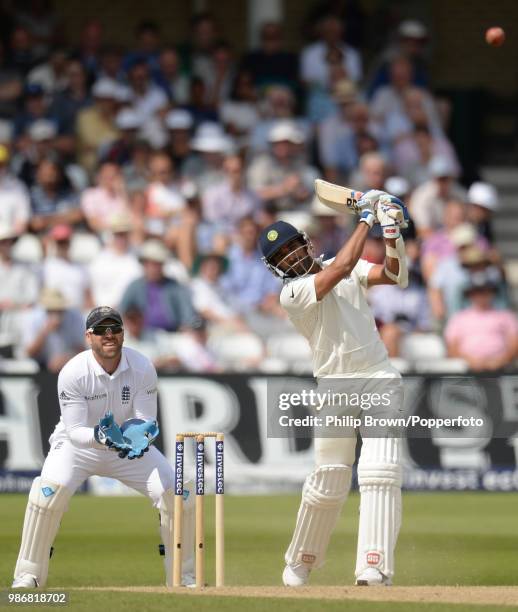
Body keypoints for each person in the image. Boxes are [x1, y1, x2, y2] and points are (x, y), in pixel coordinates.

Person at [259, 187, 409, 586]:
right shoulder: (292, 293)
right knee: (330, 478)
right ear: (274, 268)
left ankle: (372, 566)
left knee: (381, 471)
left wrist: (392, 232)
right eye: (280, 257)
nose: (289, 258)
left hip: (378, 377)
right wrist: (367, 216)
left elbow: (393, 274)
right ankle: (300, 561)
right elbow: (340, 269)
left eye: (291, 248)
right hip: (334, 386)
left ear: (305, 243)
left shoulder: (349, 265)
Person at [12, 305, 195, 588]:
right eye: (100, 330)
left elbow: (146, 419)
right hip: (79, 448)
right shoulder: (73, 371)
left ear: (123, 334)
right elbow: (74, 432)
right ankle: (29, 575)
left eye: (114, 329)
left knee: (177, 493)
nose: (108, 335)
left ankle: (183, 577)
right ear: (89, 336)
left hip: (124, 447)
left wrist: (139, 438)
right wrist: (101, 437)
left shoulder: (142, 366)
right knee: (46, 496)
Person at [445, 274, 518, 371]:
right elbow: (452, 349)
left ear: (492, 293)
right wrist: (470, 361)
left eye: (485, 291)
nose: (481, 295)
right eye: (477, 292)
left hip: (502, 369)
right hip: (467, 370)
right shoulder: (459, 318)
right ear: (470, 294)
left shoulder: (506, 316)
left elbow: (515, 345)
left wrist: (501, 360)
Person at [21, 287, 85, 372]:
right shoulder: (33, 318)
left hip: (68, 365)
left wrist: (67, 359)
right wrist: (45, 332)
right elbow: (29, 353)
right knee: (30, 366)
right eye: (52, 310)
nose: (56, 314)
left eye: (59, 310)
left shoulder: (74, 317)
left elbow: (82, 350)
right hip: (41, 364)